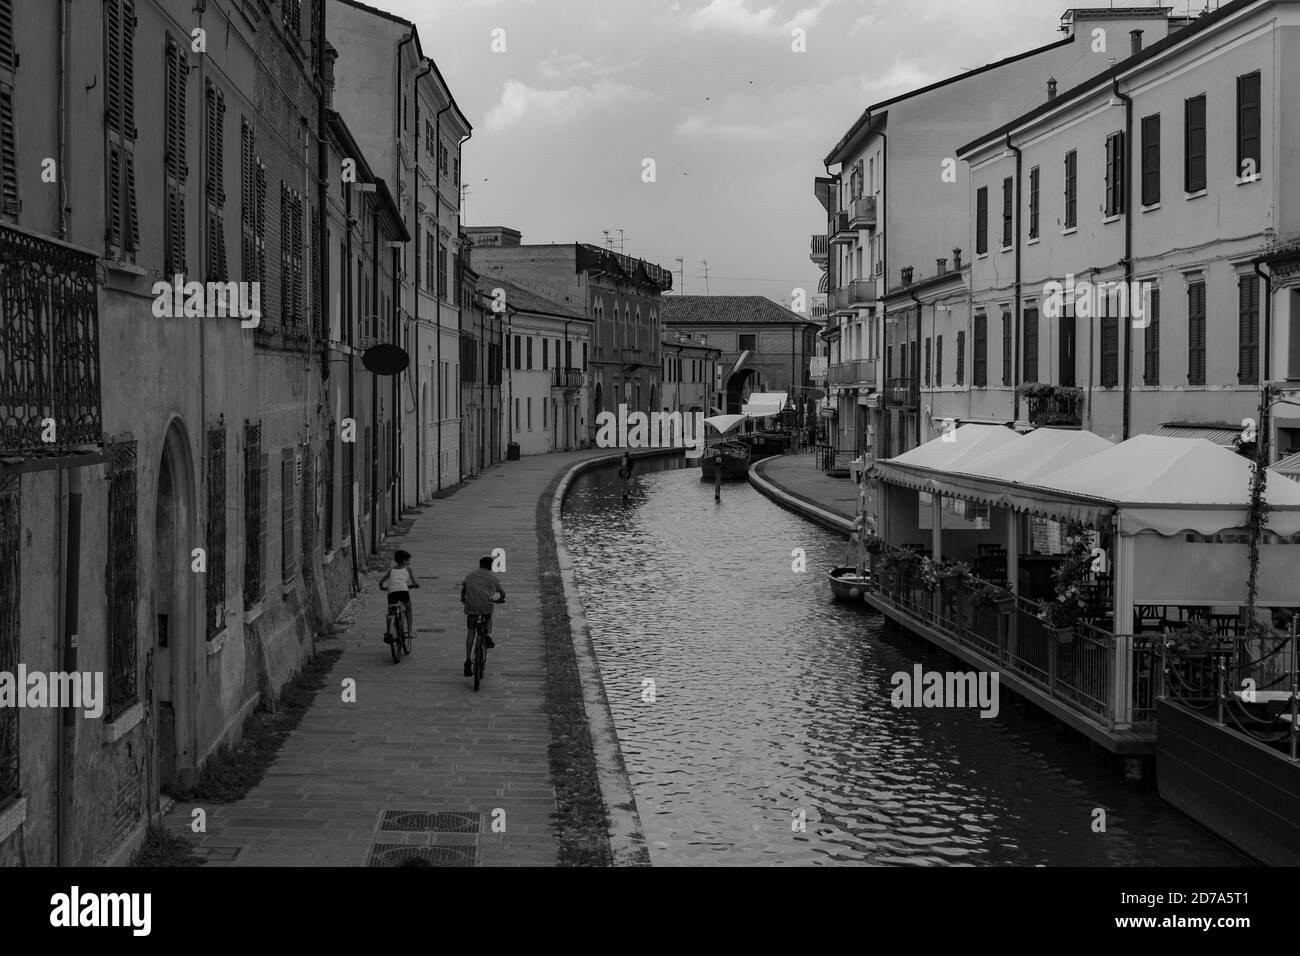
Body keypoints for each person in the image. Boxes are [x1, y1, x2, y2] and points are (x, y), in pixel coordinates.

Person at [461, 555, 506, 676]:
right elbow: (502, 592)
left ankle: (468, 660)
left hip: (471, 608)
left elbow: (464, 589)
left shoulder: (470, 575)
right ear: (491, 566)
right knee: (488, 618)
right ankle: (487, 635)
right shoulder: (493, 578)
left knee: (470, 634)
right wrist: (501, 599)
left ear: (479, 564)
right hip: (486, 607)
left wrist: (463, 600)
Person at [379, 550, 419, 641]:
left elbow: (381, 581)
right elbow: (414, 582)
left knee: (391, 611)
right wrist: (416, 585)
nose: (409, 562)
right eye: (408, 560)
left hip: (392, 592)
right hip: (403, 591)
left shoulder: (392, 569)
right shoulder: (408, 569)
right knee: (409, 609)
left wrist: (382, 587)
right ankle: (409, 632)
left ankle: (389, 631)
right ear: (404, 561)